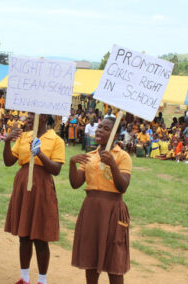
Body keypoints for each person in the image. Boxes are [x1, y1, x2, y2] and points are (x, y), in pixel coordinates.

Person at [3, 113, 65, 284]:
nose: (27, 117)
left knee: (40, 236)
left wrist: (40, 154)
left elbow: (56, 169)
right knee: (24, 235)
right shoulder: (24, 136)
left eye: (32, 114)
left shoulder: (56, 140)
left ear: (44, 117)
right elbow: (8, 161)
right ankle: (24, 278)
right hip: (23, 183)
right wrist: (7, 141)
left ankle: (42, 280)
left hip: (42, 186)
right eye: (28, 114)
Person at [69, 117, 132, 284]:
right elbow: (76, 183)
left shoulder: (123, 156)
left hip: (113, 210)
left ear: (116, 134)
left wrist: (112, 164)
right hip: (91, 210)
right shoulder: (90, 156)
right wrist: (71, 164)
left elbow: (123, 186)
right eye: (99, 127)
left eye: (105, 128)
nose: (99, 130)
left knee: (114, 260)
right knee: (90, 258)